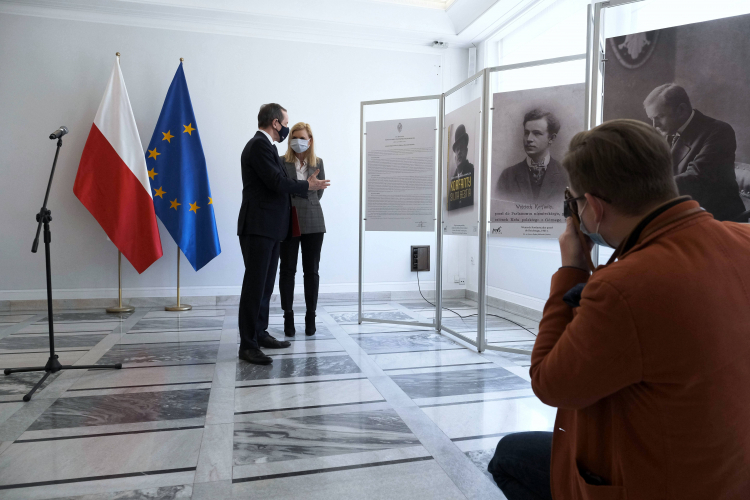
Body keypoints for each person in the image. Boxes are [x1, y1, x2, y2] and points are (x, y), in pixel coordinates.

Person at [488, 119, 750, 499]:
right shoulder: (743, 238)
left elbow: (550, 382)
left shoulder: (623, 287)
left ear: (592, 205)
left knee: (508, 459)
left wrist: (571, 269)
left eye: (574, 202)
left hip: (659, 480)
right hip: (727, 468)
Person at [237, 103, 330, 365]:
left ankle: (260, 333)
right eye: (285, 122)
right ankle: (248, 345)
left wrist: (304, 186)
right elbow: (277, 184)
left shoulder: (268, 147)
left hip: (270, 228)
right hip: (258, 227)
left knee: (265, 285)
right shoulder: (259, 146)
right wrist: (306, 185)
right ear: (276, 123)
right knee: (255, 286)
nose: (287, 128)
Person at [643, 83, 745, 221]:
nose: (655, 125)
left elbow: (698, 177)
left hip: (715, 217)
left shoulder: (719, 131)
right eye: (652, 119)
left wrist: (647, 189)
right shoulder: (668, 131)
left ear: (681, 109)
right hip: (682, 210)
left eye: (659, 117)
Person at [279, 122, 326, 337]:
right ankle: (288, 316)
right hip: (289, 219)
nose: (298, 141)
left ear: (310, 140)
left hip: (313, 219)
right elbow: (281, 190)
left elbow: (318, 192)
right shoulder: (281, 162)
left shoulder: (318, 162)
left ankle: (310, 317)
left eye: (302, 137)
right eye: (294, 137)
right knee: (287, 270)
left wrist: (305, 193)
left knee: (312, 271)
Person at [496, 109, 567, 205]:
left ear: (551, 138)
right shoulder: (508, 176)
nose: (529, 139)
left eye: (537, 133)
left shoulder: (566, 176)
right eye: (526, 133)